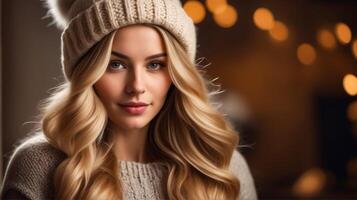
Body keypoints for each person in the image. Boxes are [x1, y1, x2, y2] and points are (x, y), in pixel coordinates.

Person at [0, 0, 258, 199]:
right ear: (87, 71)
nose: (136, 86)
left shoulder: (223, 168)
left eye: (155, 65)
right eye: (115, 64)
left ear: (177, 73)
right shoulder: (38, 168)